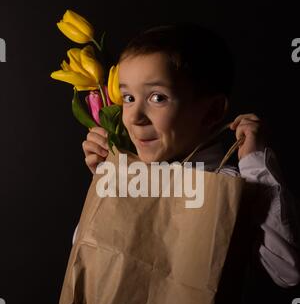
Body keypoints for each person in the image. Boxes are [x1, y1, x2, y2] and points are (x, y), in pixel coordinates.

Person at [76, 22, 300, 288]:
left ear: (213, 112)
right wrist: (107, 182)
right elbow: (88, 261)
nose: (134, 117)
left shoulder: (227, 187)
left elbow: (287, 271)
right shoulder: (136, 177)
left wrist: (255, 163)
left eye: (158, 98)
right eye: (128, 98)